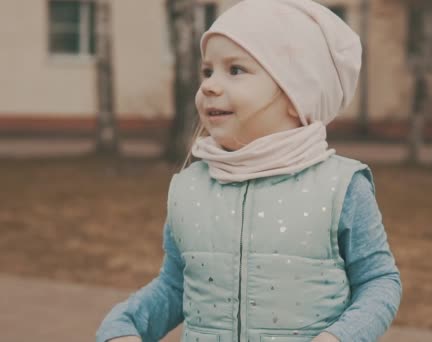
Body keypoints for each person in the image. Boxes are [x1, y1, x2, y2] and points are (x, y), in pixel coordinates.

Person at [96, 0, 401, 341]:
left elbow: (379, 281)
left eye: (235, 70)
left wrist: (339, 337)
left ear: (294, 92)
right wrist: (124, 325)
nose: (210, 85)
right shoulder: (190, 188)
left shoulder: (341, 187)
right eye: (207, 71)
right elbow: (175, 286)